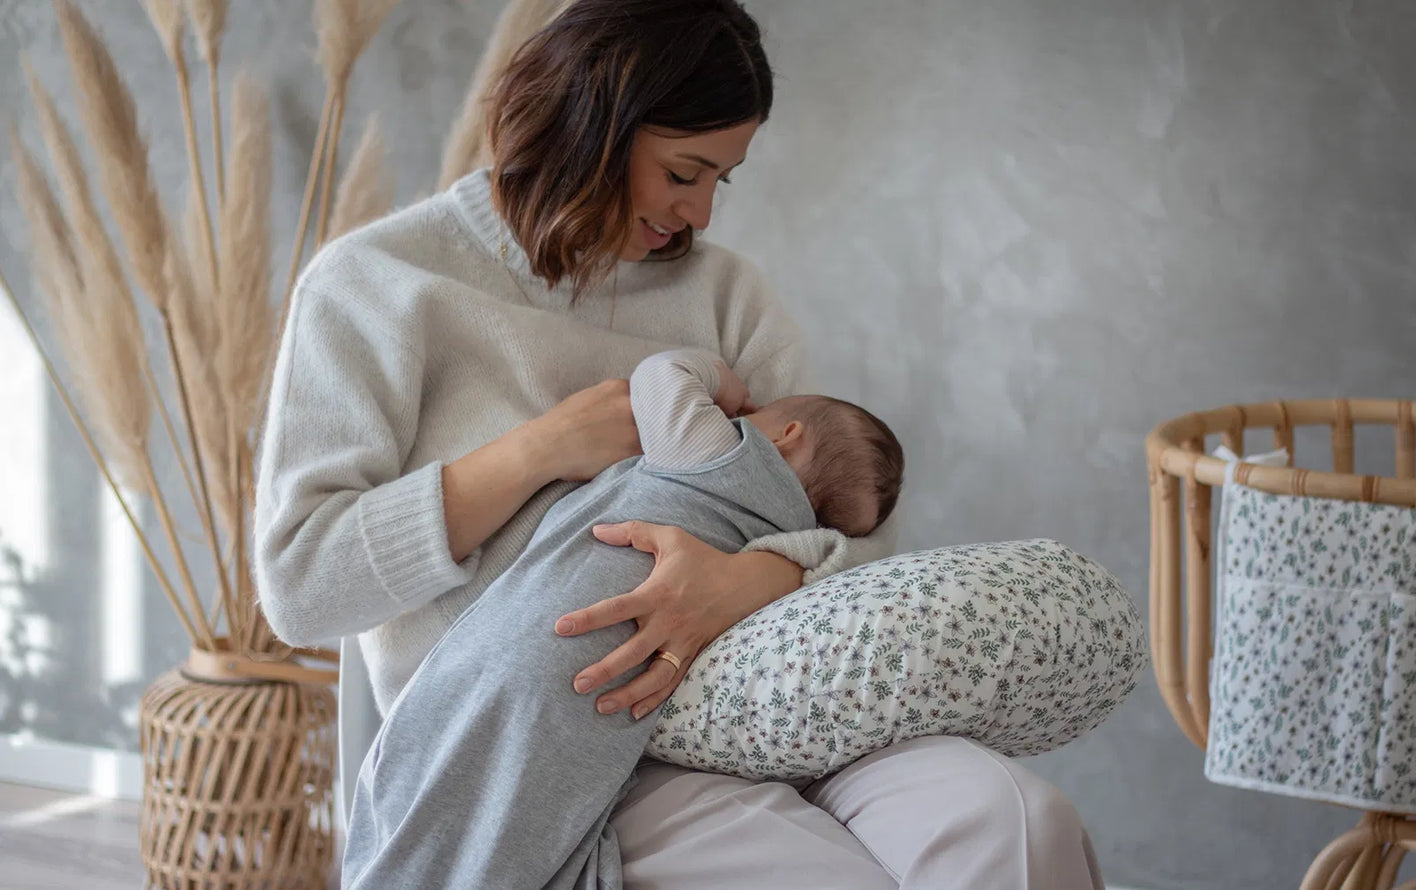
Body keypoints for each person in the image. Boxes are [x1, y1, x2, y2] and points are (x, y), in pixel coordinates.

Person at [254, 1, 1104, 887]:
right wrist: (538, 450)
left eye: (720, 181)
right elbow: (303, 585)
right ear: (590, 127)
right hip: (579, 738)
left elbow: (856, 521)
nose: (696, 211)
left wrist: (749, 580)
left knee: (1018, 825)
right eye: (682, 171)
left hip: (782, 689)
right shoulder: (380, 287)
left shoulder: (729, 298)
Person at [342, 349, 904, 888]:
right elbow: (855, 563)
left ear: (786, 434)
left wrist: (718, 378)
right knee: (535, 829)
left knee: (428, 794)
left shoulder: (730, 456)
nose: (740, 416)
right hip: (607, 702)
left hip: (535, 643)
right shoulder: (785, 540)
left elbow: (660, 377)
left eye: (755, 414)